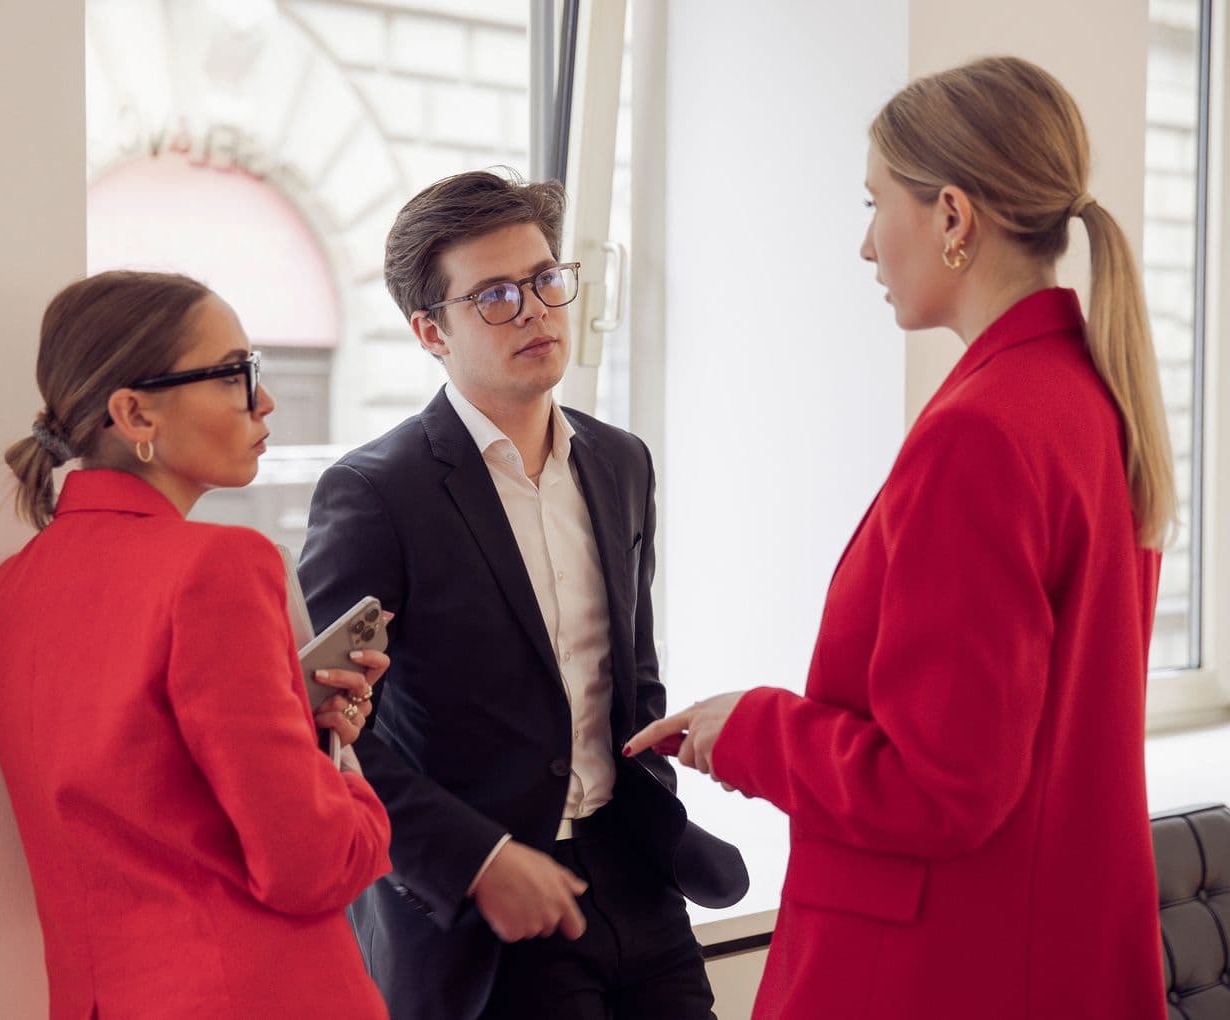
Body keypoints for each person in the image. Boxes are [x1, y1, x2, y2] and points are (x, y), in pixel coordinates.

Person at [628, 56, 1172, 1018]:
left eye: (876, 202)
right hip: (1046, 949)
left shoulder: (985, 432)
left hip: (948, 966)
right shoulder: (1085, 400)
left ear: (954, 217)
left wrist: (748, 726)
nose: (868, 247)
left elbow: (943, 788)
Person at [297, 170, 747, 1020]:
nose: (537, 310)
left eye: (545, 280)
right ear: (431, 330)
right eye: (496, 296)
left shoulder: (621, 462)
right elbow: (328, 735)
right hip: (491, 907)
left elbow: (630, 669)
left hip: (636, 876)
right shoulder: (375, 493)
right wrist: (477, 860)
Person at [0, 270, 393, 1019]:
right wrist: (350, 780)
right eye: (238, 374)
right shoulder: (221, 564)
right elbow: (310, 865)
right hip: (257, 994)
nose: (263, 401)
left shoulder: (13, 587)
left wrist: (310, 732)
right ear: (134, 413)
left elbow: (145, 796)